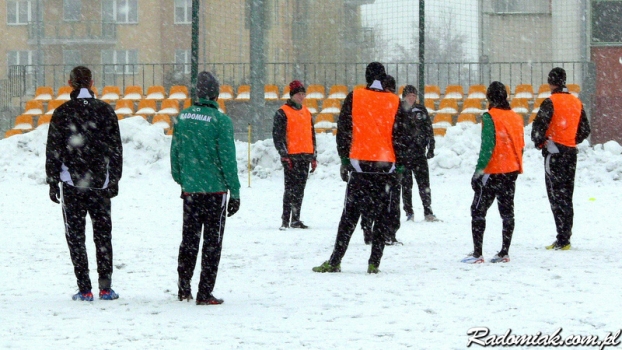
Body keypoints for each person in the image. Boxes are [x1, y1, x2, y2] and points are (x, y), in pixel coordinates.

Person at [312, 62, 407, 274]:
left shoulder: (355, 97)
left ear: (366, 77)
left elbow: (344, 129)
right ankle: (374, 263)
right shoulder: (394, 101)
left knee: (349, 215)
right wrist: (399, 165)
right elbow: (402, 135)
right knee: (382, 216)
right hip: (385, 166)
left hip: (360, 165)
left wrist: (344, 160)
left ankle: (335, 260)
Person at [45, 66, 123, 301]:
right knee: (103, 236)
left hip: (72, 184)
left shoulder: (62, 112)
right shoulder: (105, 110)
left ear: (70, 82)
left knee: (76, 236)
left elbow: (53, 149)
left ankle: (85, 288)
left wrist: (52, 180)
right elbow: (116, 148)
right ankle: (105, 288)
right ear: (92, 82)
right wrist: (115, 178)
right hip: (100, 183)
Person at [171, 71, 241, 305]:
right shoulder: (221, 121)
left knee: (189, 240)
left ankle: (183, 288)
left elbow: (175, 154)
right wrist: (235, 191)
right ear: (216, 93)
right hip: (215, 191)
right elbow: (228, 159)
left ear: (197, 92)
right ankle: (204, 292)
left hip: (191, 191)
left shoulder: (182, 118)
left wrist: (183, 180)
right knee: (212, 242)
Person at [461, 81, 524, 264]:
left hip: (493, 170)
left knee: (478, 210)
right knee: (507, 212)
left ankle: (477, 253)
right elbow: (520, 145)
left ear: (489, 97)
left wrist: (478, 171)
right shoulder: (516, 117)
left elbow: (487, 147)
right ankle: (504, 252)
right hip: (511, 170)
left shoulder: (490, 117)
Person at [531, 67, 590, 250]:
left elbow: (538, 129)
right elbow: (585, 130)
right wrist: (571, 140)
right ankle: (566, 236)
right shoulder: (576, 102)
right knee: (567, 195)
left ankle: (562, 238)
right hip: (571, 154)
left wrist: (541, 143)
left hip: (554, 153)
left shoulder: (550, 102)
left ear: (551, 82)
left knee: (555, 196)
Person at [272, 80, 317, 230]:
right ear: (292, 95)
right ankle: (286, 219)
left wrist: (313, 156)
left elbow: (312, 135)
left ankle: (295, 219)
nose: (301, 97)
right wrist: (284, 154)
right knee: (290, 189)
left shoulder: (307, 112)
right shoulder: (282, 112)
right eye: (299, 94)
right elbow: (278, 136)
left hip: (305, 155)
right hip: (291, 157)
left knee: (300, 189)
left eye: (303, 94)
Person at [399, 85, 438, 222]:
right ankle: (409, 212)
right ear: (404, 96)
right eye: (409, 95)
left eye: (414, 96)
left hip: (419, 153)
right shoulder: (399, 110)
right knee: (406, 184)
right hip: (404, 154)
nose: (412, 98)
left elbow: (428, 128)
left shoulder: (421, 110)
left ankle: (428, 211)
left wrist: (430, 145)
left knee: (424, 184)